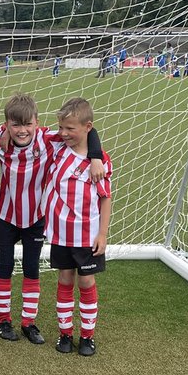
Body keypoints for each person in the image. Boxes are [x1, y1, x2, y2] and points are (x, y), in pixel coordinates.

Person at [0, 93, 104, 344]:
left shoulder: (49, 139)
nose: (22, 130)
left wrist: (97, 156)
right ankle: (4, 320)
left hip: (37, 216)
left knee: (31, 267)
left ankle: (28, 322)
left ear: (37, 122)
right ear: (6, 125)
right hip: (5, 214)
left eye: (28, 124)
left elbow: (86, 130)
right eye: (15, 125)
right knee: (4, 266)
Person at [46, 97, 112, 357]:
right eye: (61, 127)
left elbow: (105, 198)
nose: (64, 133)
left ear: (87, 127)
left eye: (70, 128)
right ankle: (65, 333)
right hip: (61, 233)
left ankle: (87, 337)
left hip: (88, 235)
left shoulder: (101, 161)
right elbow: (30, 133)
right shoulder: (58, 148)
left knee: (86, 281)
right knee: (64, 279)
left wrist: (103, 234)